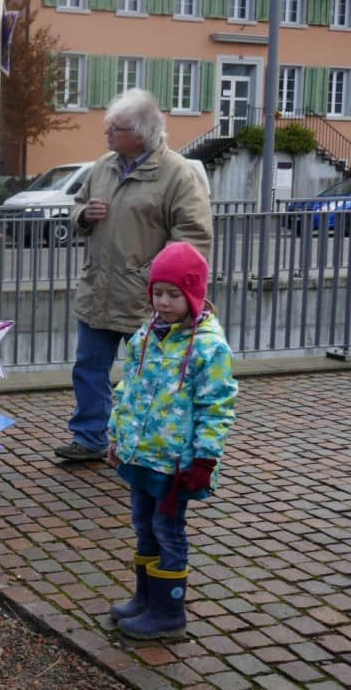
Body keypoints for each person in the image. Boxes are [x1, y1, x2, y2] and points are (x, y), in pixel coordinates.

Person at [56, 88, 212, 462]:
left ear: (140, 134)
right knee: (89, 368)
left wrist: (158, 282)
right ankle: (90, 438)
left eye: (116, 128)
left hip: (147, 298)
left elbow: (192, 236)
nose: (107, 132)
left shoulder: (178, 174)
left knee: (150, 377)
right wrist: (83, 216)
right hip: (99, 290)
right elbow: (77, 209)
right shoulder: (103, 167)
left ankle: (146, 442)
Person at [106, 241, 237, 639]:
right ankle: (146, 597)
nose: (162, 302)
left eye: (173, 294)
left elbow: (217, 405)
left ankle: (168, 613)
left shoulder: (209, 346)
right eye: (157, 293)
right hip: (141, 455)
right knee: (142, 525)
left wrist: (205, 460)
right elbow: (129, 389)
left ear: (193, 294)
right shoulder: (147, 333)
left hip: (175, 463)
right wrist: (117, 435)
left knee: (168, 530)